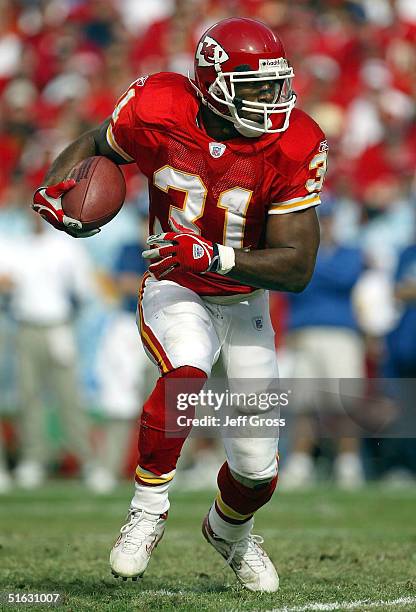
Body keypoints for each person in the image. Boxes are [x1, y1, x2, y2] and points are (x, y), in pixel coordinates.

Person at [31, 18, 327, 592]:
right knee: (184, 373)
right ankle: (147, 510)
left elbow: (297, 266)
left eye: (278, 84)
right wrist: (55, 187)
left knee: (257, 470)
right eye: (259, 87)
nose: (276, 100)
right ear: (215, 82)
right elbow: (96, 144)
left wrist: (214, 256)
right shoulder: (159, 105)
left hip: (244, 298)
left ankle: (230, 533)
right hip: (174, 283)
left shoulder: (295, 141)